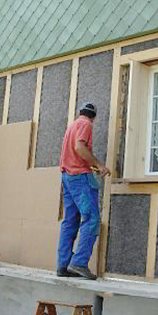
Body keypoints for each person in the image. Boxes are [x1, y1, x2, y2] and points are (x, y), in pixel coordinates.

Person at [57, 102, 110, 280]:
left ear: (81, 112)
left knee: (70, 221)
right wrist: (99, 165)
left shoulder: (72, 125)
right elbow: (80, 147)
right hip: (80, 178)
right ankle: (78, 263)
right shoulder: (86, 124)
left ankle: (63, 265)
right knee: (92, 219)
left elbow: (73, 151)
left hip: (68, 177)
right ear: (93, 117)